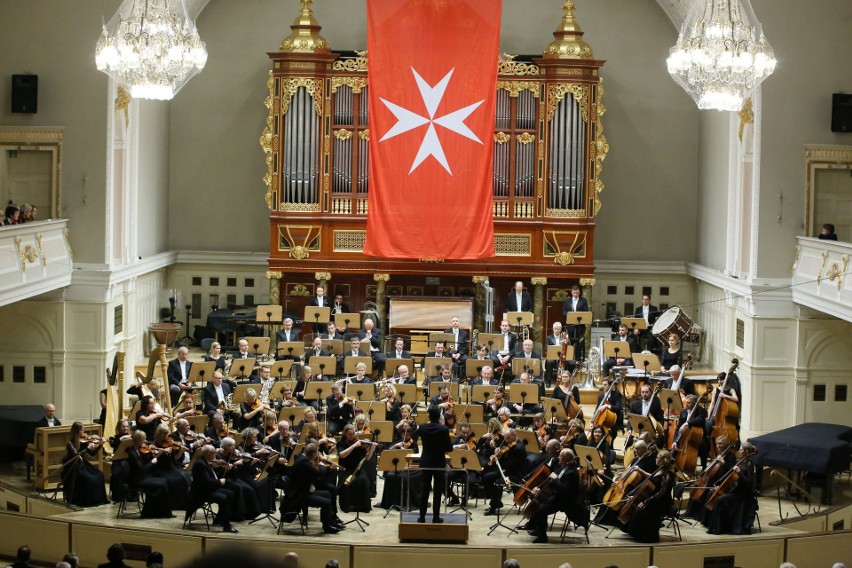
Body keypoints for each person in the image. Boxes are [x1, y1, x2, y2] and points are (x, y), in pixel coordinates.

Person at [524, 448, 587, 543]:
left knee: (541, 510)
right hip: (558, 496)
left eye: (560, 456)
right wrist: (539, 488)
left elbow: (566, 491)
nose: (558, 457)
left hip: (566, 501)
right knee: (537, 501)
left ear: (566, 458)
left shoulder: (571, 473)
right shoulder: (563, 467)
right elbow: (550, 480)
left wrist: (555, 479)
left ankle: (542, 536)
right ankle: (538, 528)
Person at [284, 442, 344, 533]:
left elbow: (314, 472)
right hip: (300, 495)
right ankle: (326, 526)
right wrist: (323, 466)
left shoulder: (302, 458)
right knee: (326, 502)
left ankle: (331, 521)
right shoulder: (303, 463)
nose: (316, 456)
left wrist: (328, 468)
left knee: (328, 493)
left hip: (304, 491)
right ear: (312, 454)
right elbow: (317, 473)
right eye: (316, 454)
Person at [622, 449, 675, 543]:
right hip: (654, 498)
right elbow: (652, 477)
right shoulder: (659, 469)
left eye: (658, 457)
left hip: (662, 502)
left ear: (663, 460)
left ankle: (646, 536)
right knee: (636, 506)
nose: (656, 458)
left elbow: (662, 493)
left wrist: (646, 501)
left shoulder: (668, 475)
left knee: (640, 510)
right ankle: (635, 532)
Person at [706, 441, 759, 535]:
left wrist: (739, 473)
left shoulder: (750, 464)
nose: (739, 450)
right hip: (736, 491)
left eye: (741, 449)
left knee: (721, 499)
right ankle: (716, 527)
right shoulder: (742, 461)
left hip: (743, 495)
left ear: (746, 451)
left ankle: (719, 528)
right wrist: (721, 485)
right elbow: (732, 480)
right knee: (718, 497)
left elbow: (749, 483)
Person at [414, 406, 453, 523]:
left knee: (424, 490)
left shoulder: (423, 427)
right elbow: (449, 448)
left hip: (426, 461)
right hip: (439, 462)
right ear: (439, 416)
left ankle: (422, 516)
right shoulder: (444, 429)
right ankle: (436, 517)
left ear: (429, 415)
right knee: (437, 491)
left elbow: (413, 436)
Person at [190, 444, 239, 533]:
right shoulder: (200, 464)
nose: (216, 455)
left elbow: (208, 477)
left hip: (208, 489)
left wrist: (214, 466)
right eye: (214, 453)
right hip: (201, 492)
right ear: (208, 454)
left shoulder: (206, 462)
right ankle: (226, 526)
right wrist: (221, 481)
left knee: (231, 494)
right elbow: (207, 482)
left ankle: (219, 519)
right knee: (223, 498)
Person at [126, 430, 173, 518]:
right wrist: (152, 461)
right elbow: (142, 469)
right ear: (139, 440)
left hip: (142, 477)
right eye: (144, 440)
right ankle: (150, 512)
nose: (145, 442)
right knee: (160, 485)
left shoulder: (138, 450)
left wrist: (154, 455)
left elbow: (144, 463)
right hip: (136, 480)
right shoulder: (132, 452)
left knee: (164, 481)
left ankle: (162, 512)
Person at [61, 422, 108, 507]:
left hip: (82, 463)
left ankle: (97, 499)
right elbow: (76, 455)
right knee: (87, 478)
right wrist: (87, 448)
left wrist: (100, 445)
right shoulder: (70, 443)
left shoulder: (83, 441)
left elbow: (92, 454)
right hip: (73, 465)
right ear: (76, 431)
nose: (84, 432)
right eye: (82, 430)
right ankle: (86, 501)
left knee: (100, 475)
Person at [482, 428, 527, 515]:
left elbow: (508, 465)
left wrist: (499, 458)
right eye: (505, 438)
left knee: (498, 483)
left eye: (508, 438)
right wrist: (497, 452)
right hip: (508, 472)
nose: (506, 440)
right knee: (486, 478)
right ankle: (497, 502)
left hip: (516, 474)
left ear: (514, 436)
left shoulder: (519, 448)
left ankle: (493, 507)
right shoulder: (510, 444)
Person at [336, 424, 376, 513]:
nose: (352, 436)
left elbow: (367, 458)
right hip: (346, 470)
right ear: (345, 434)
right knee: (351, 481)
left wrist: (372, 449)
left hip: (358, 469)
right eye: (350, 434)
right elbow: (342, 455)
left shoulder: (359, 443)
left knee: (364, 480)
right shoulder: (341, 443)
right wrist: (354, 446)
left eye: (353, 434)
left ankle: (363, 506)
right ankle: (349, 506)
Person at [562, 285, 589, 359]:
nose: (576, 294)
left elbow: (586, 311)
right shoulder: (567, 301)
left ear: (579, 292)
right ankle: (570, 358)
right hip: (570, 325)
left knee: (580, 343)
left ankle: (580, 359)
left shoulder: (583, 300)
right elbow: (563, 312)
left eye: (577, 293)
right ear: (571, 292)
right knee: (570, 342)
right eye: (574, 293)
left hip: (580, 325)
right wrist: (570, 314)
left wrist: (578, 315)